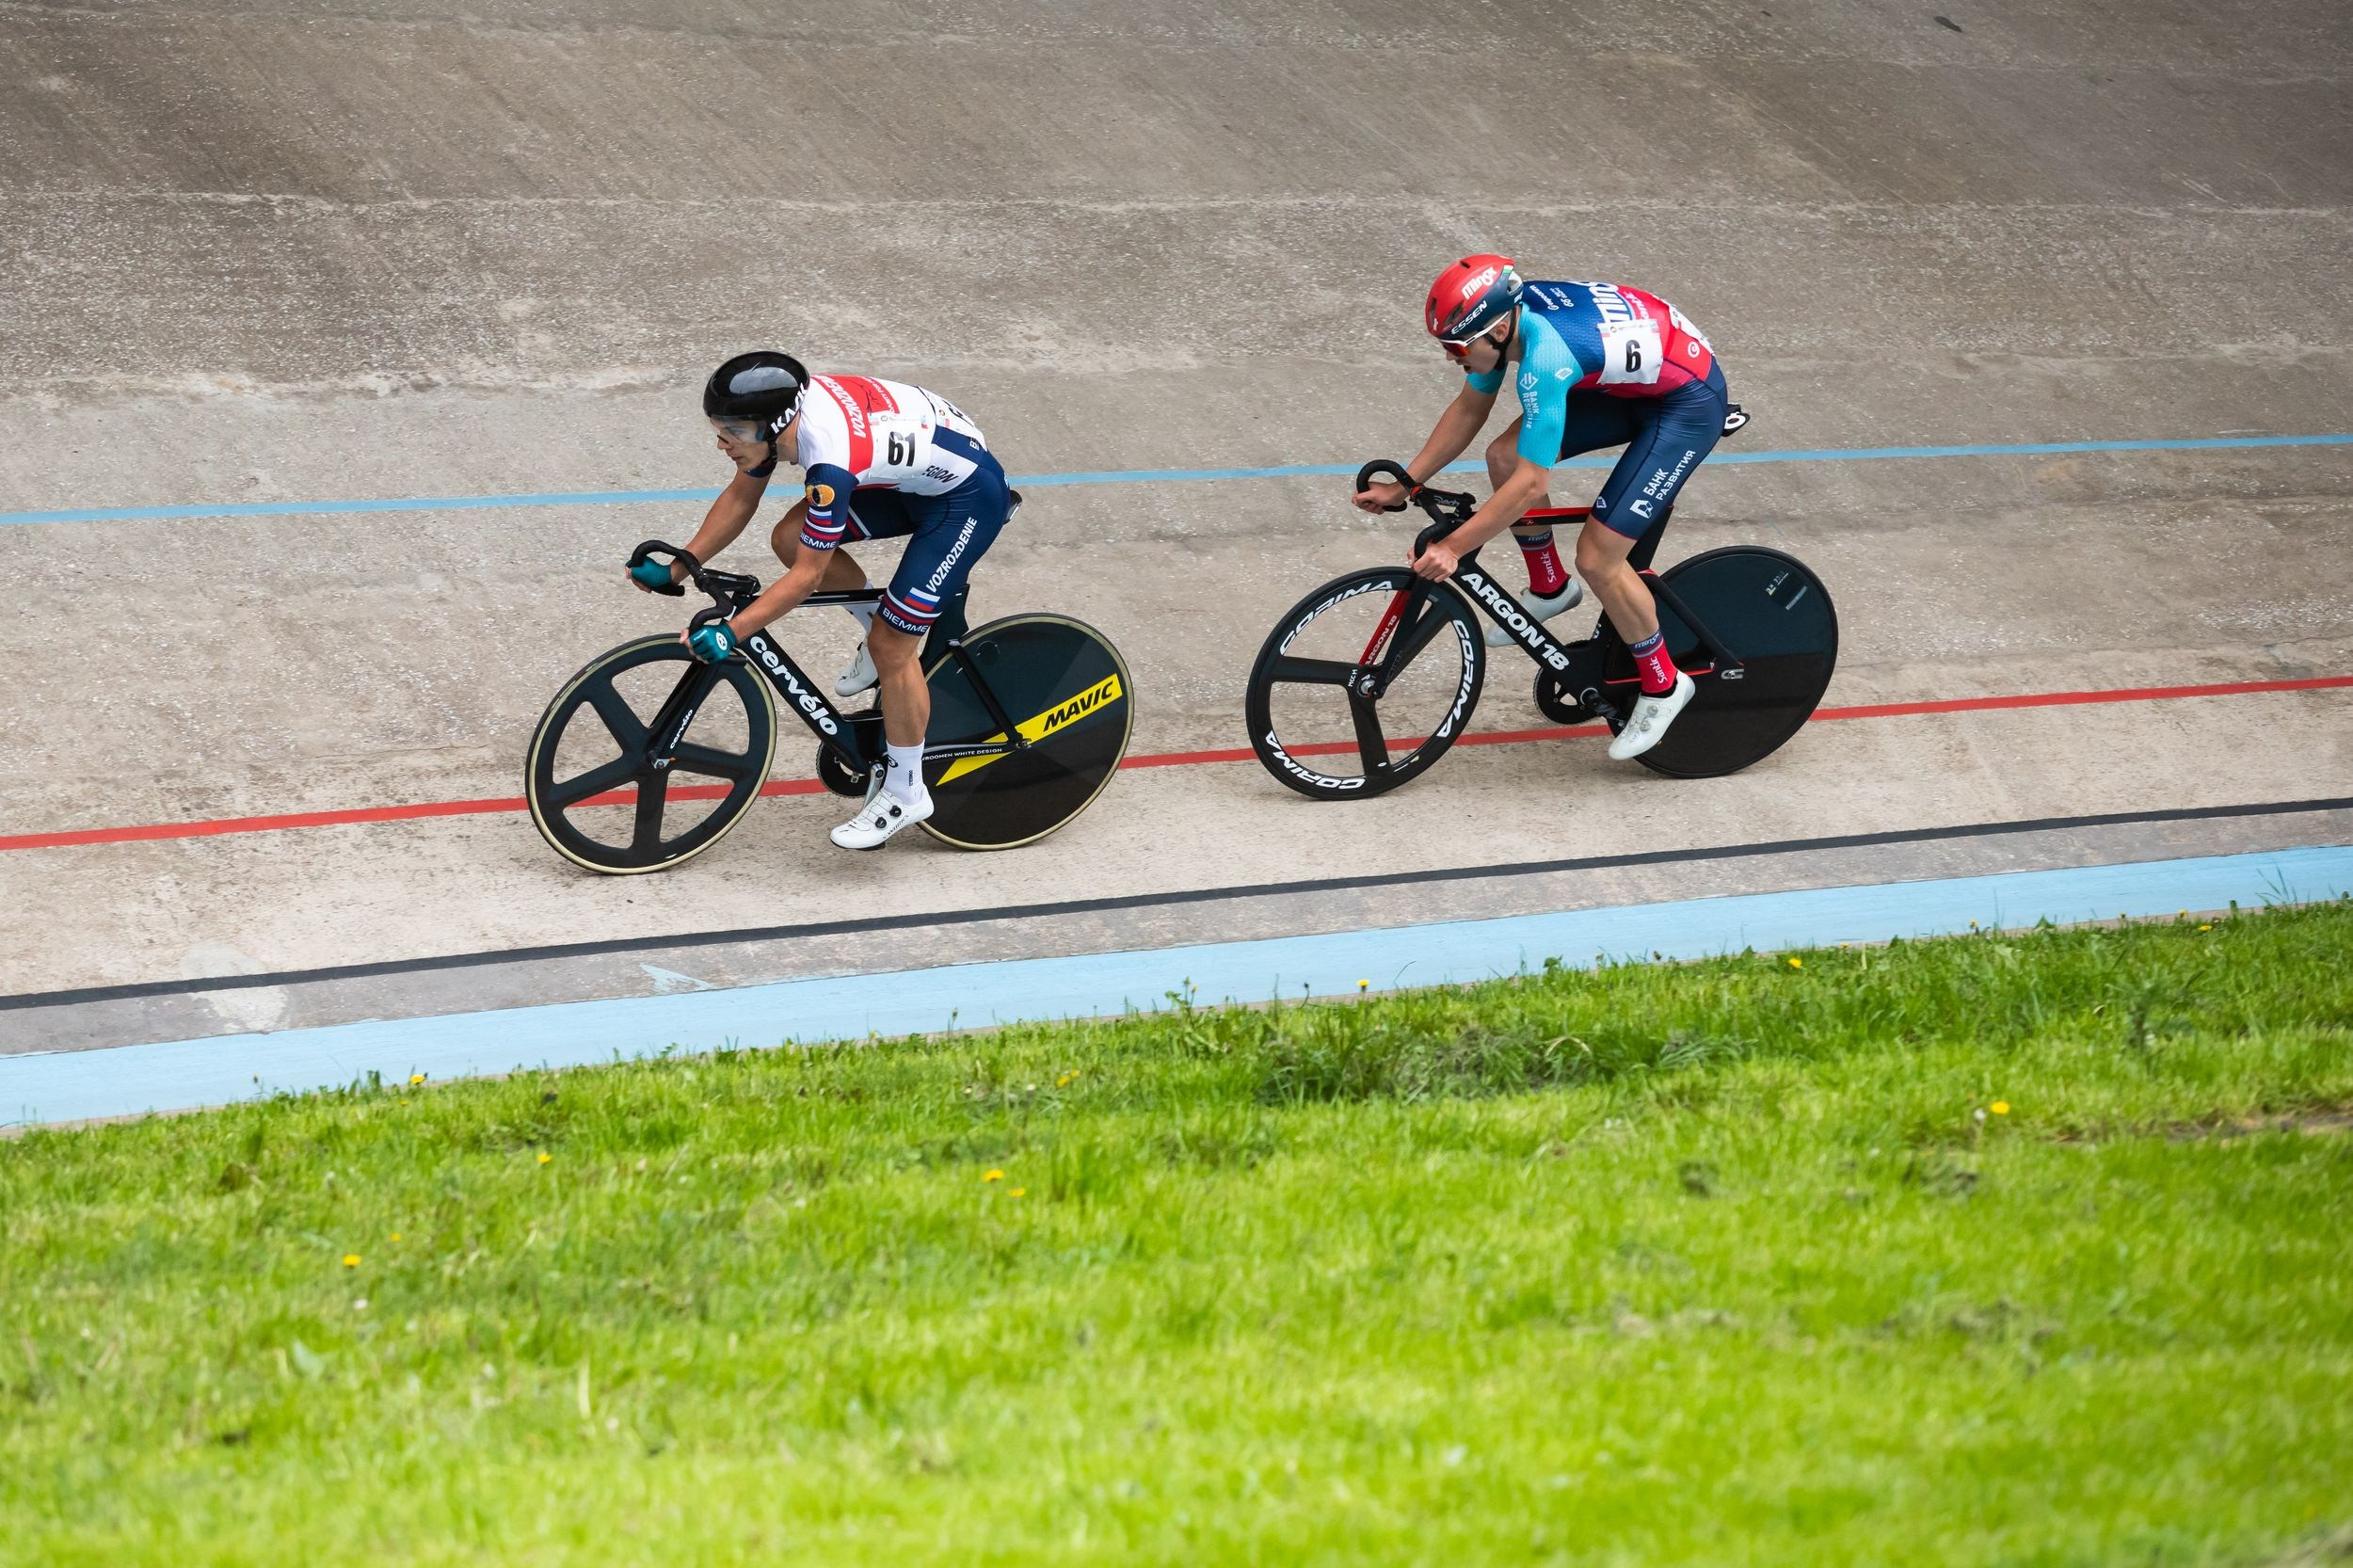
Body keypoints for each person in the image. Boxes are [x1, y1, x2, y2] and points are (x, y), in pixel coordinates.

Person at [629, 351, 1013, 850]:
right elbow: (742, 497)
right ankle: (881, 620)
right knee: (791, 538)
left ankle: (906, 790)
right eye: (719, 427)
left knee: (892, 648)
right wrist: (678, 566)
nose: (723, 441)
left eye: (736, 431)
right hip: (913, 475)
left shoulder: (827, 459)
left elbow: (809, 578)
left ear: (780, 422)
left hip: (966, 499)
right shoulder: (782, 419)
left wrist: (731, 630)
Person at [1354, 255, 1731, 760]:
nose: (1450, 356)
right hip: (1632, 382)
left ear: (1498, 327)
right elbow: (1471, 409)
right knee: (1504, 456)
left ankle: (1664, 685)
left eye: (1455, 345)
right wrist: (1406, 483)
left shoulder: (1545, 356)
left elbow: (1533, 487)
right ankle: (1551, 588)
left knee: (1600, 558)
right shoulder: (1506, 324)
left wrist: (1455, 546)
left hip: (1686, 404)